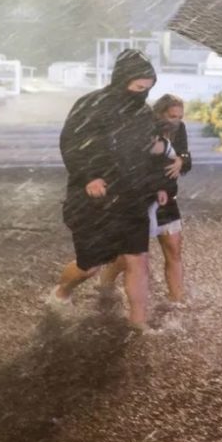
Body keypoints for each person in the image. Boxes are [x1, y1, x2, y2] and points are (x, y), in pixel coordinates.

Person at [53, 49, 172, 329]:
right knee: (90, 266)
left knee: (138, 259)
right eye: (138, 87)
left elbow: (148, 153)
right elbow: (70, 143)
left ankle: (138, 324)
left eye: (148, 89)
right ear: (122, 81)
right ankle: (61, 293)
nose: (143, 94)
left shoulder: (143, 114)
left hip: (132, 198)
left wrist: (158, 185)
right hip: (96, 199)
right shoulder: (91, 105)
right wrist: (89, 177)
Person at [99, 94, 192, 304]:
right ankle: (106, 281)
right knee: (130, 256)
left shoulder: (180, 129)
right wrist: (157, 185)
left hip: (167, 198)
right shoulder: (143, 130)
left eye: (179, 116)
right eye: (171, 116)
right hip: (141, 198)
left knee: (174, 249)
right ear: (159, 113)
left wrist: (181, 160)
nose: (176, 121)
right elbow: (136, 167)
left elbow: (186, 157)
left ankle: (177, 302)